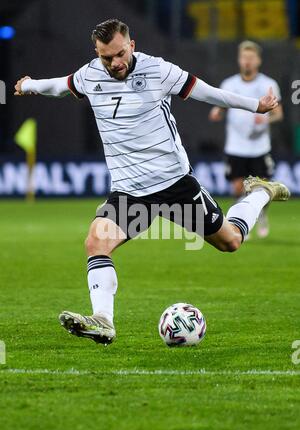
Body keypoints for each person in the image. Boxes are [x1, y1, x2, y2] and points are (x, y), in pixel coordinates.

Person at [14, 19, 289, 345]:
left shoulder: (159, 71)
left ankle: (259, 193)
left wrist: (254, 105)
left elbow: (208, 93)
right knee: (96, 243)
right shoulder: (90, 75)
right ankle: (103, 321)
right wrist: (29, 85)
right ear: (97, 53)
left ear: (131, 45)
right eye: (106, 58)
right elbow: (59, 86)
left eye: (119, 54)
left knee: (230, 242)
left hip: (175, 186)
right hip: (129, 192)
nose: (114, 63)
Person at [209, 41, 283, 238]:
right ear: (239, 60)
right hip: (236, 145)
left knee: (261, 189)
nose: (247, 62)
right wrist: (217, 112)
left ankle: (262, 215)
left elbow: (278, 114)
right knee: (238, 188)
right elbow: (222, 106)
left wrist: (266, 117)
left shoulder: (268, 84)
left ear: (258, 61)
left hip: (259, 146)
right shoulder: (229, 84)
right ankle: (242, 223)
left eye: (251, 58)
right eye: (244, 58)